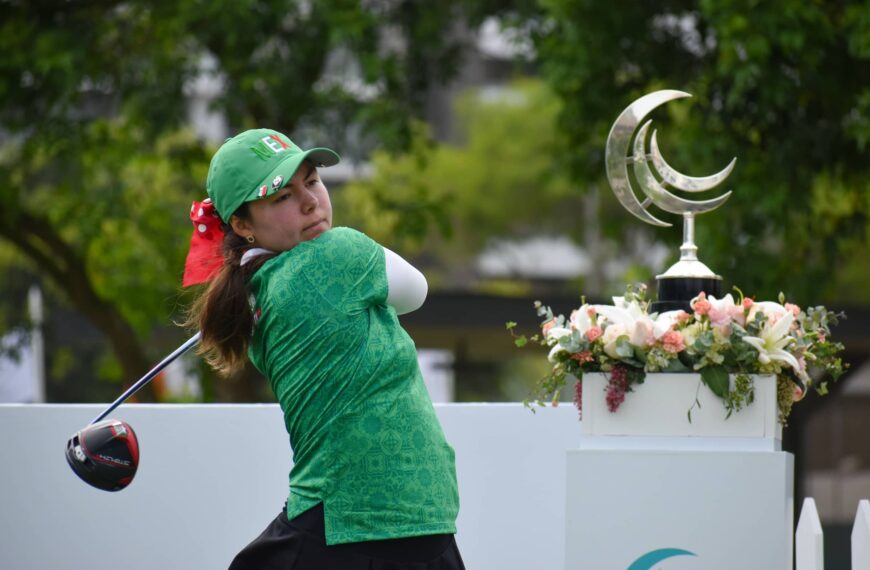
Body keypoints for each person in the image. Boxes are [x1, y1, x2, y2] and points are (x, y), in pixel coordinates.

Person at [183, 128, 464, 569]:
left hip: (382, 523)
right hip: (367, 527)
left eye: (311, 181)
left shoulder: (250, 293)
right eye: (281, 197)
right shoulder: (337, 252)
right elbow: (415, 292)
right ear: (241, 224)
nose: (310, 201)